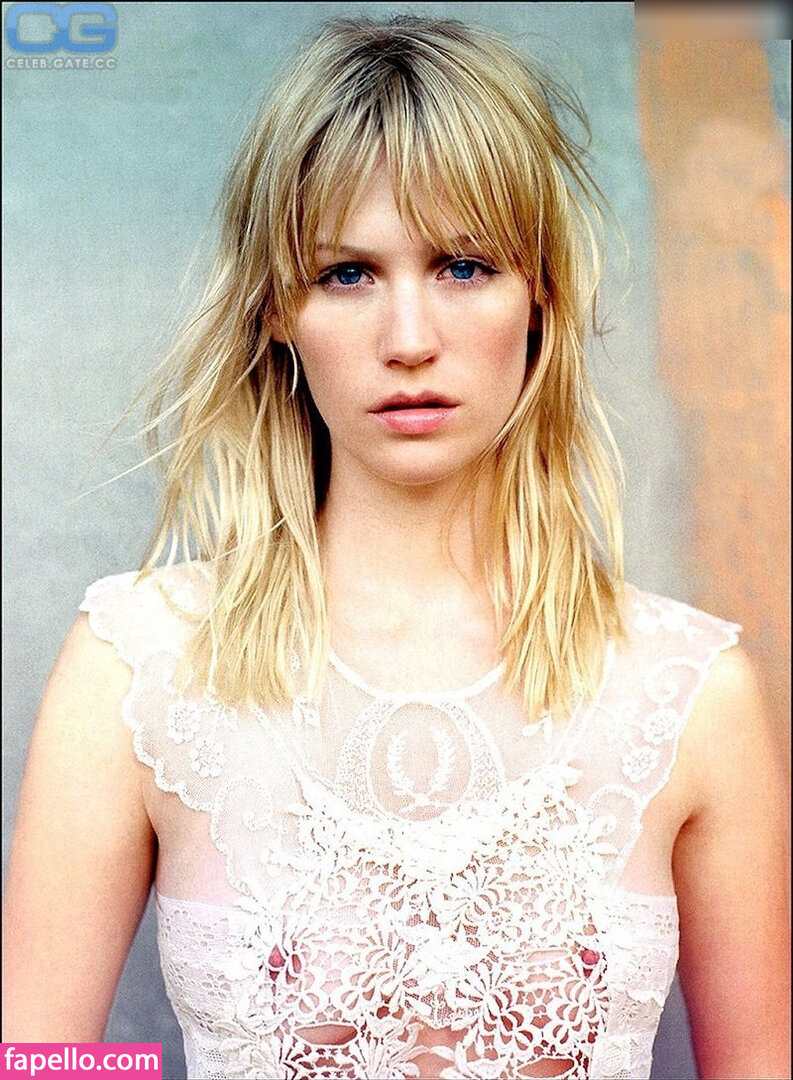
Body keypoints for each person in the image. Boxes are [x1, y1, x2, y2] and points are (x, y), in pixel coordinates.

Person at [3, 15, 789, 1080]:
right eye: (347, 273)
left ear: (540, 292)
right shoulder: (134, 663)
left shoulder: (693, 693)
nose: (409, 339)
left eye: (463, 266)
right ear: (275, 308)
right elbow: (37, 1062)